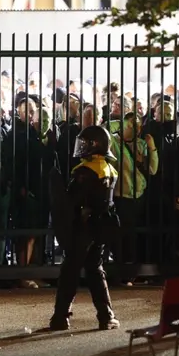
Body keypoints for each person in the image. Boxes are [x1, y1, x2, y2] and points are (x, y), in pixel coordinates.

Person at [49, 125, 121, 331]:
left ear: (95, 145)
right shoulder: (108, 168)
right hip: (99, 227)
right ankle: (106, 316)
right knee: (95, 270)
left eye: (84, 143)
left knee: (70, 271)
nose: (80, 147)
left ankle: (60, 317)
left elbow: (72, 200)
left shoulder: (85, 171)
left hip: (84, 226)